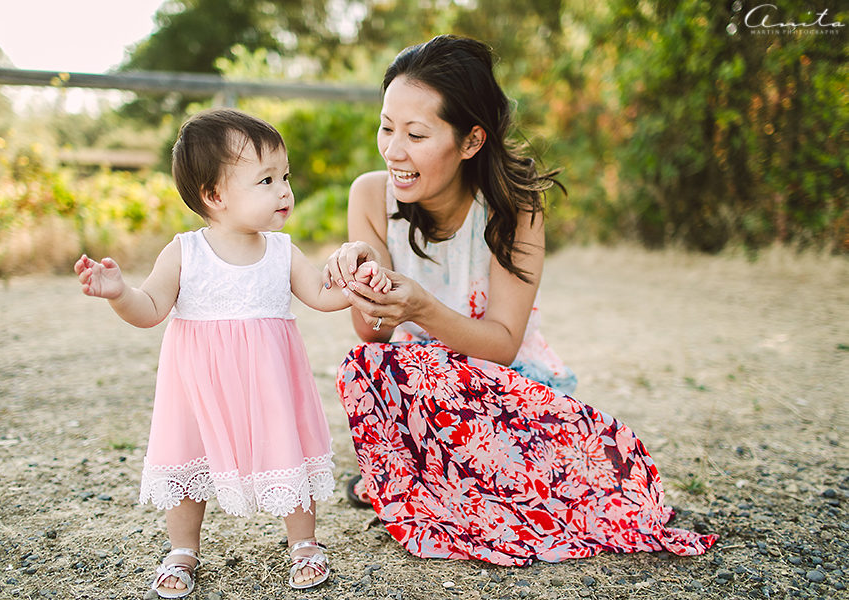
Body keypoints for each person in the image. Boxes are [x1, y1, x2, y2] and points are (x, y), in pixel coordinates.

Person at [323, 35, 717, 566]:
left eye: (416, 134)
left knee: (594, 483)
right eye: (386, 127)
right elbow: (372, 334)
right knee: (370, 364)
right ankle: (435, 486)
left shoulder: (515, 207)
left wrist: (421, 309)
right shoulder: (369, 195)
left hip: (505, 392)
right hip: (422, 395)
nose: (394, 150)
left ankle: (434, 488)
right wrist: (364, 281)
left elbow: (503, 345)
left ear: (470, 141)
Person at [74, 108, 389, 596]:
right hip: (199, 385)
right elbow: (151, 307)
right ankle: (182, 550)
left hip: (268, 381)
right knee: (186, 461)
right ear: (214, 195)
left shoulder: (283, 252)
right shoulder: (185, 251)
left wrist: (355, 284)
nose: (284, 190)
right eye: (266, 179)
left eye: (285, 176)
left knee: (288, 451)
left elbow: (323, 297)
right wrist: (118, 292)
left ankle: (303, 543)